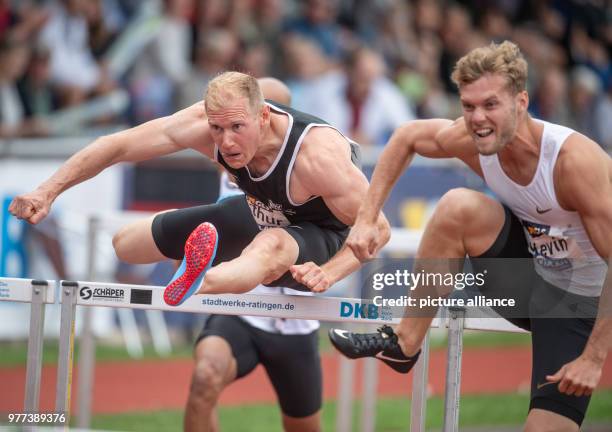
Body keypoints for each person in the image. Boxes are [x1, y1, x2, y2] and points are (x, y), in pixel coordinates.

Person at [292, 41, 612, 431]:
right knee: (458, 205)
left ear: (522, 102)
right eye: (468, 106)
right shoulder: (472, 138)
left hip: (584, 305)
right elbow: (406, 138)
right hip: (534, 283)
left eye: (490, 104)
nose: (477, 118)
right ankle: (405, 342)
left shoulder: (573, 162)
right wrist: (366, 218)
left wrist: (594, 358)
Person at [9, 73, 385, 307]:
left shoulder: (317, 156)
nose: (226, 143)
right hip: (259, 213)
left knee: (271, 247)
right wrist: (47, 191)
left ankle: (196, 281)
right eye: (217, 130)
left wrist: (332, 274)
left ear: (264, 116)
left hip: (319, 236)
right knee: (126, 243)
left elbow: (377, 228)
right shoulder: (205, 129)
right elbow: (117, 145)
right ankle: (194, 265)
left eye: (237, 128)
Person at [185, 169, 322, 432]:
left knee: (304, 426)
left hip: (296, 321)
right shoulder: (231, 160)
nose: (227, 141)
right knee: (205, 376)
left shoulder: (308, 164)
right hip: (239, 310)